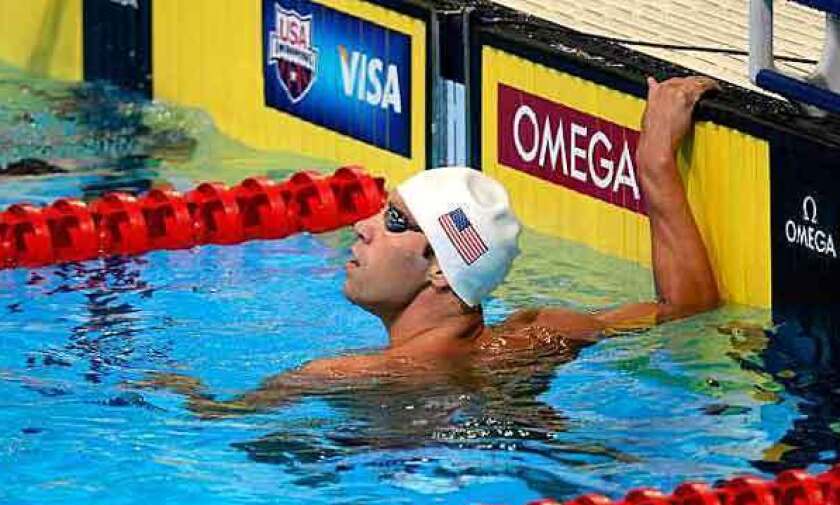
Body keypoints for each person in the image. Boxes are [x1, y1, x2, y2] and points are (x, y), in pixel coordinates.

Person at [144, 76, 721, 417]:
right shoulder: (540, 335)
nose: (363, 226)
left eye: (395, 220)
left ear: (441, 270)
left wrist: (169, 390)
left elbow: (217, 419)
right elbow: (686, 309)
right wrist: (656, 164)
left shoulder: (341, 375)